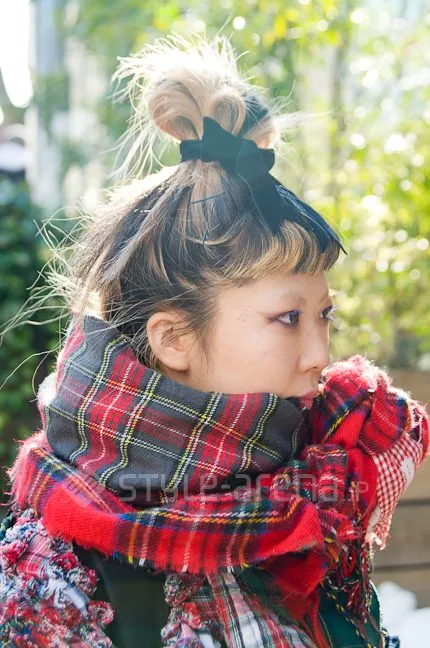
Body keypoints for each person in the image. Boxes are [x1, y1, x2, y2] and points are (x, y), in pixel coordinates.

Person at [0, 34, 428, 648]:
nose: (321, 355)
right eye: (288, 318)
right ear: (174, 338)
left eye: (325, 315)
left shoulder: (322, 487)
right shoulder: (54, 576)